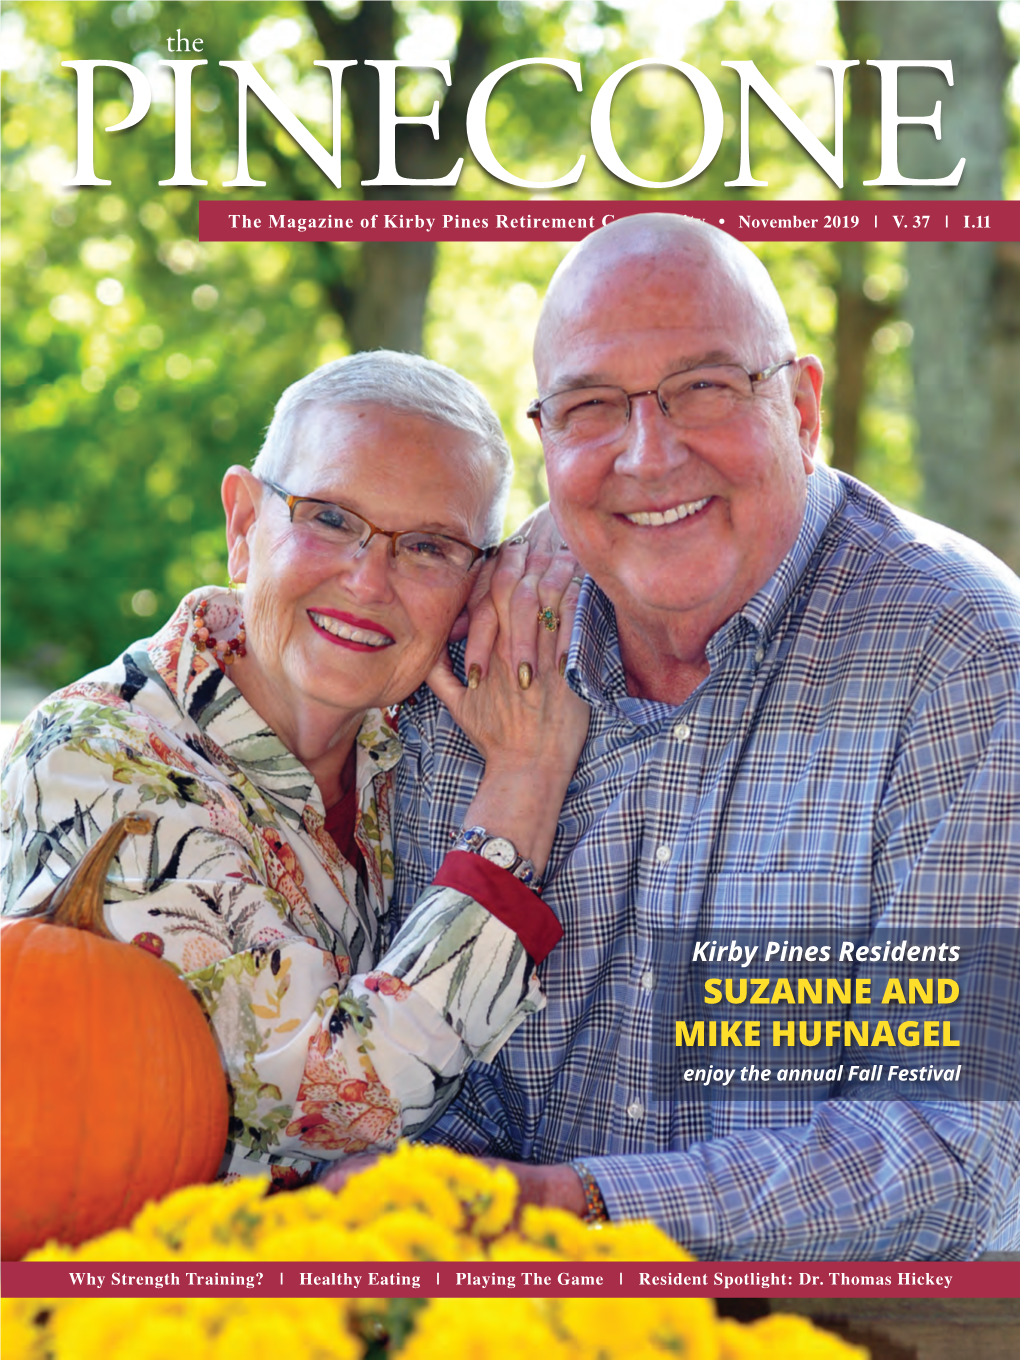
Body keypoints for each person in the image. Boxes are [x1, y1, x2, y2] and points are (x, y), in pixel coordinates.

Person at [392, 215, 1020, 1259]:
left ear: (805, 407)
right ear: (549, 442)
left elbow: (952, 1150)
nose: (649, 452)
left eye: (705, 388)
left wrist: (576, 1207)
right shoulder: (488, 652)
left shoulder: (962, 664)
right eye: (595, 406)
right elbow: (435, 1072)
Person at [1, 350, 589, 1186]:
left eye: (427, 547)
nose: (367, 579)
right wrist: (524, 786)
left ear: (473, 583)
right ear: (243, 524)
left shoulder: (413, 734)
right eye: (329, 518)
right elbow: (328, 1102)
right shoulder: (96, 758)